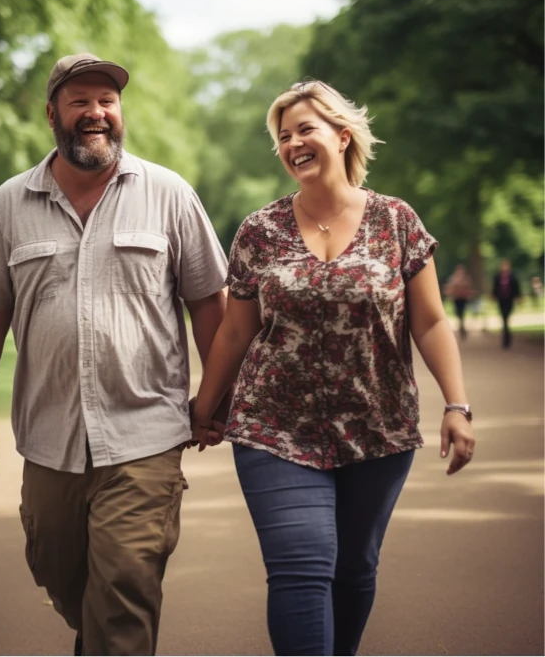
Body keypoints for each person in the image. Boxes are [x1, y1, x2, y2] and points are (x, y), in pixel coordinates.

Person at [0, 53, 229, 657]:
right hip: (49, 439)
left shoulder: (169, 194)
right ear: (52, 113)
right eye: (80, 101)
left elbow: (211, 303)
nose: (96, 113)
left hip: (145, 435)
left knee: (126, 587)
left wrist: (216, 396)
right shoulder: (9, 203)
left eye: (107, 101)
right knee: (58, 571)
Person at [191, 80, 476, 657]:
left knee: (354, 567)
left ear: (343, 137)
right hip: (274, 427)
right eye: (284, 135)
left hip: (377, 426)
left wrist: (456, 404)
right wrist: (205, 407)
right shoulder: (258, 231)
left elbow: (429, 323)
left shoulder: (396, 221)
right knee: (299, 565)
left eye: (306, 129)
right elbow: (237, 330)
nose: (293, 142)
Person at [492, 259, 521, 349]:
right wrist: (493, 296)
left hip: (509, 300)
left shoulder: (512, 276)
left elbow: (516, 287)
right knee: (504, 318)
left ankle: (507, 337)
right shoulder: (498, 277)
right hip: (501, 300)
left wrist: (518, 297)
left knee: (506, 317)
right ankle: (506, 338)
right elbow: (495, 287)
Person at [444, 264, 475, 339]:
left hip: (463, 299)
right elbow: (449, 288)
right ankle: (462, 327)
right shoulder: (453, 279)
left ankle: (462, 327)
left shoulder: (466, 279)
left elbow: (468, 288)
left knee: (462, 313)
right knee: (458, 313)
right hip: (456, 299)